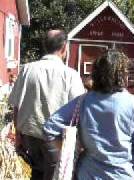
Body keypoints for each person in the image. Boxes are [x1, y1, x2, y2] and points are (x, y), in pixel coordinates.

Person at [44, 50, 134, 180]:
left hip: (87, 174)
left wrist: (72, 149)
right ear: (123, 75)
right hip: (124, 174)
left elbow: (50, 127)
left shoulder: (83, 101)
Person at [9, 29, 85, 180]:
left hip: (29, 138)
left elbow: (16, 105)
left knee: (32, 174)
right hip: (55, 140)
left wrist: (17, 134)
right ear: (64, 48)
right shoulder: (70, 75)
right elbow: (79, 110)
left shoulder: (27, 70)